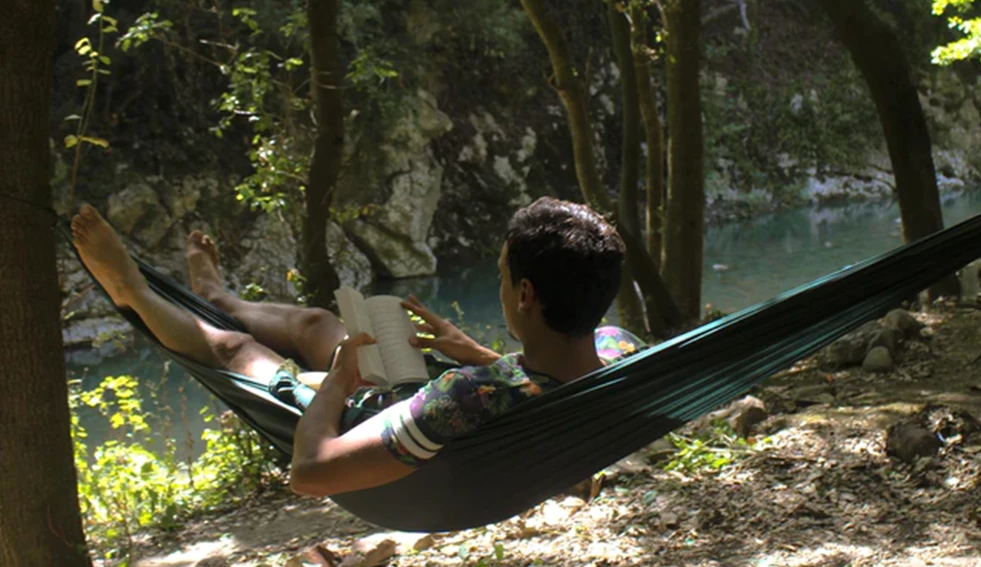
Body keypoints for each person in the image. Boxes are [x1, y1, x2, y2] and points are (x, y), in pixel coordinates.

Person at [71, 197, 643, 498]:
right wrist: (476, 351)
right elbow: (542, 386)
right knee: (318, 324)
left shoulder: (465, 397)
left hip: (359, 419)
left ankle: (133, 291)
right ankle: (218, 296)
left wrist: (341, 382)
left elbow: (310, 472)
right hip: (441, 399)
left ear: (524, 294)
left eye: (500, 277)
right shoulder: (621, 351)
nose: (499, 288)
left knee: (235, 351)